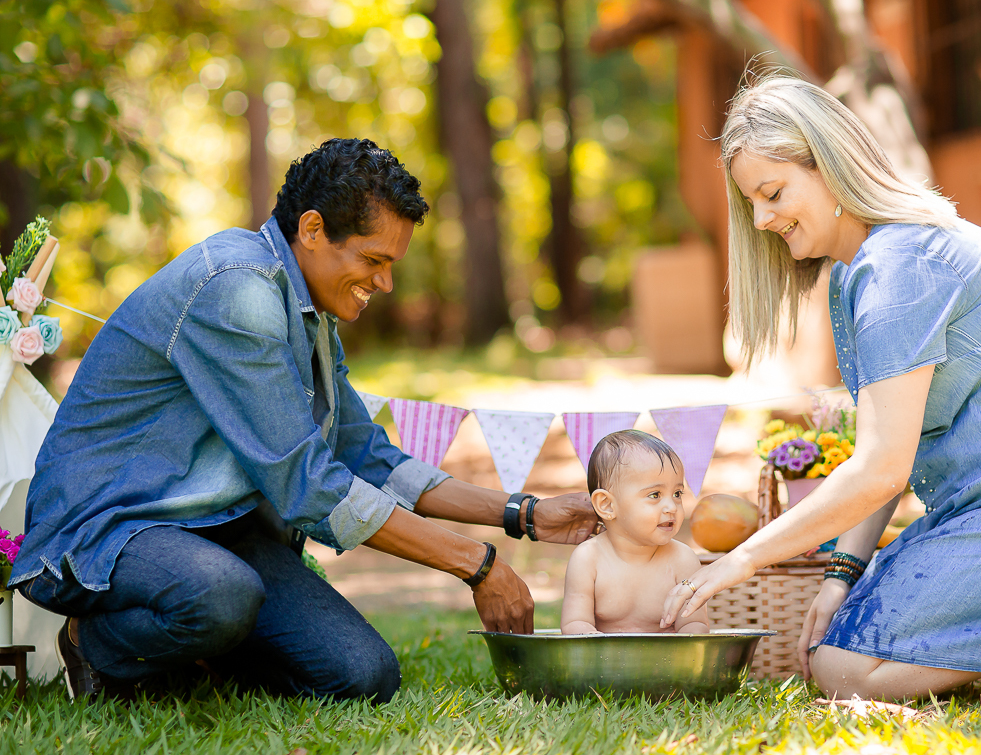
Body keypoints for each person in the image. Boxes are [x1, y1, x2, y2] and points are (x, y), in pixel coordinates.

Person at [12, 138, 597, 704]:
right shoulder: (236, 290)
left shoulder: (310, 311)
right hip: (108, 527)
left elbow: (365, 456)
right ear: (312, 230)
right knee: (221, 596)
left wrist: (524, 513)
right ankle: (94, 645)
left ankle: (193, 654)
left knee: (362, 675)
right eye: (374, 260)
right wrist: (476, 564)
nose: (386, 283)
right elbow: (310, 484)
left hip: (217, 528)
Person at [660, 76, 981, 701]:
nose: (764, 219)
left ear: (831, 166)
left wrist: (745, 559)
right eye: (753, 204)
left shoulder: (898, 268)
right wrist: (839, 577)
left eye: (773, 193)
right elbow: (888, 453)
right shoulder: (860, 273)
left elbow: (879, 470)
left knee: (842, 672)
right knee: (834, 657)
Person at [561, 430, 708, 634]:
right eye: (655, 495)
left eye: (677, 494)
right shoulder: (588, 558)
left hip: (667, 663)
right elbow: (575, 623)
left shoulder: (682, 559)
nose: (671, 507)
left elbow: (694, 624)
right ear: (607, 505)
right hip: (604, 663)